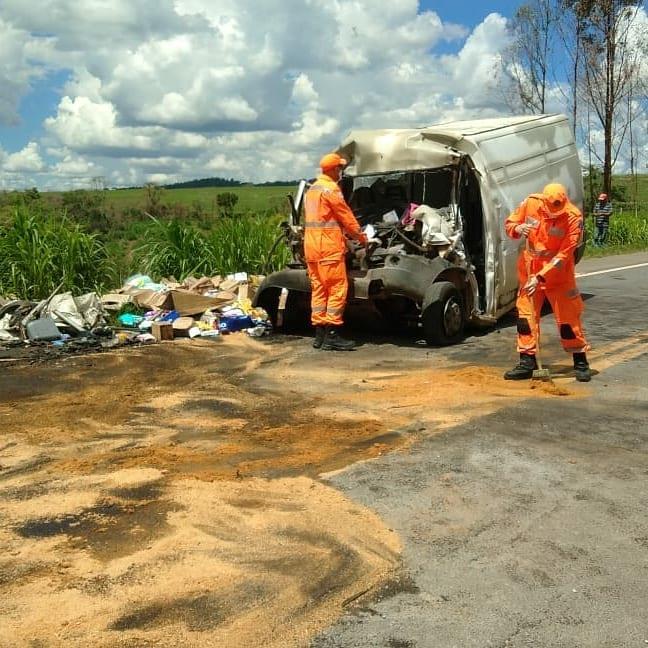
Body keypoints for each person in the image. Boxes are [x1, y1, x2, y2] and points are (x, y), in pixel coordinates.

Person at [503, 183, 592, 382]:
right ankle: (527, 362)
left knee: (568, 321)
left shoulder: (573, 217)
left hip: (559, 277)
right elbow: (509, 224)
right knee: (525, 320)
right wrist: (517, 227)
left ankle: (580, 361)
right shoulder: (532, 203)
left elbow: (564, 254)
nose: (553, 214)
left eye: (557, 211)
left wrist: (541, 276)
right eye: (550, 210)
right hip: (529, 273)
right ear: (544, 201)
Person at [304, 152, 367, 351]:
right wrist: (362, 238)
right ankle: (332, 334)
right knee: (337, 289)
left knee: (319, 290)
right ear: (333, 170)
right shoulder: (331, 189)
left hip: (312, 248)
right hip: (328, 248)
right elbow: (346, 217)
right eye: (339, 168)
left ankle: (320, 334)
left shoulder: (312, 189)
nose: (341, 171)